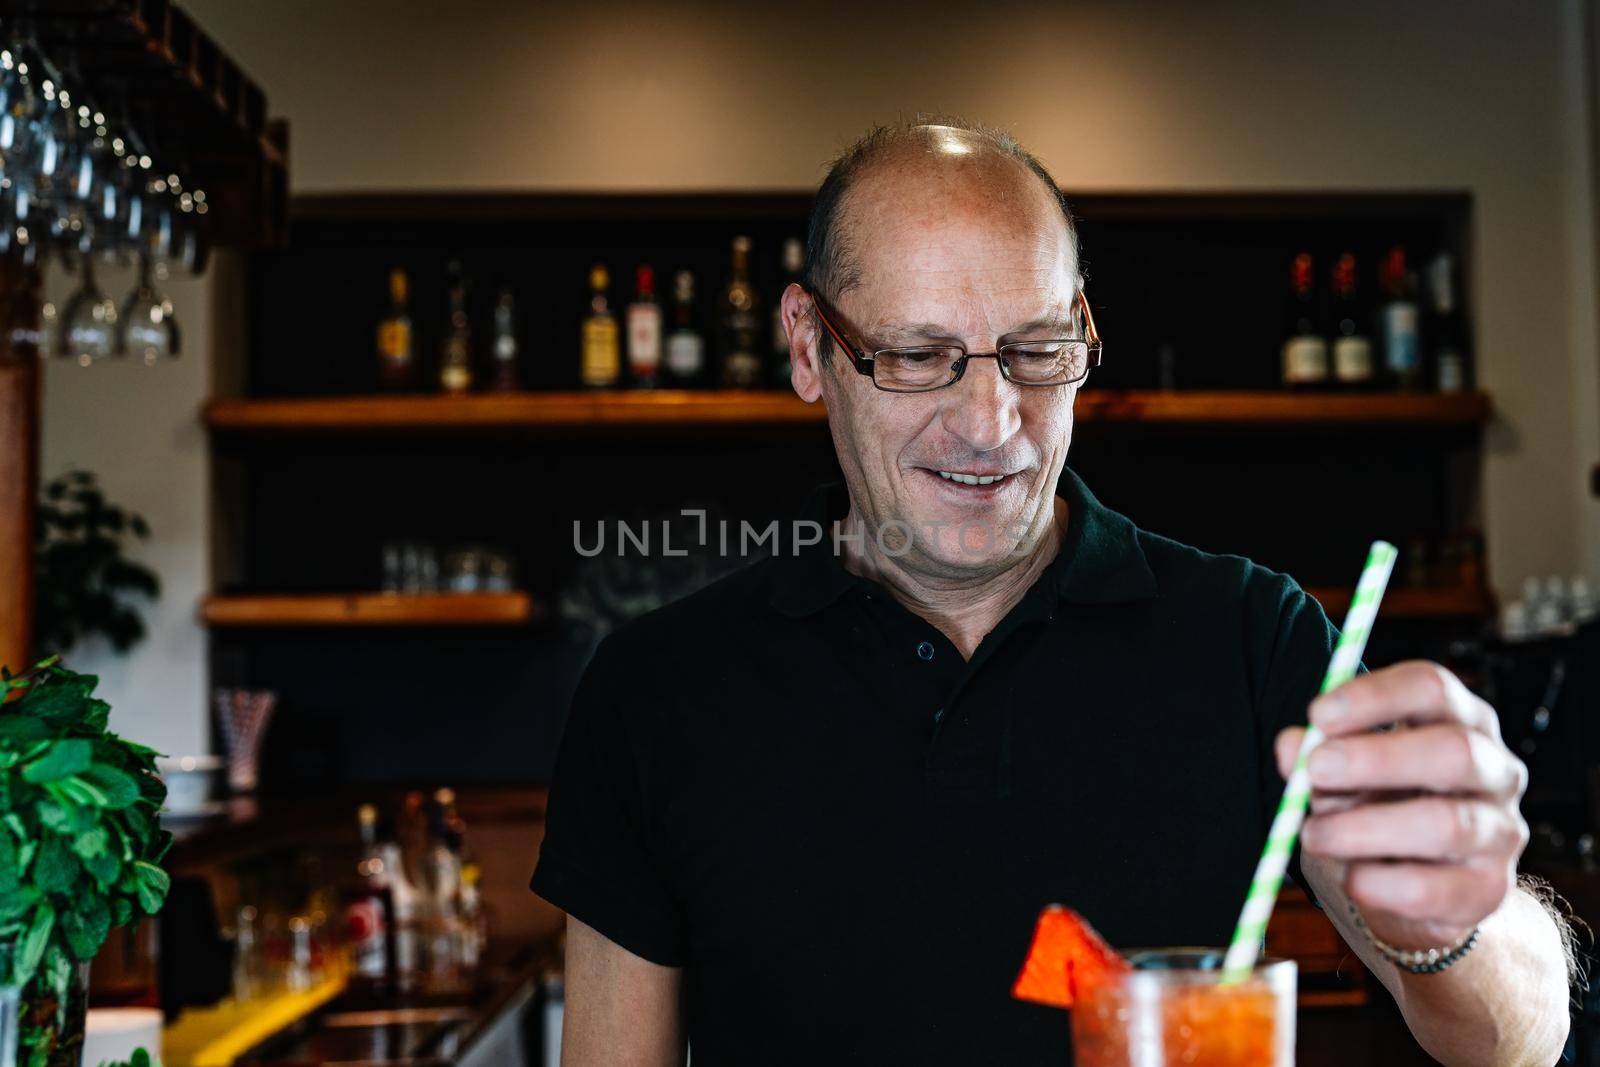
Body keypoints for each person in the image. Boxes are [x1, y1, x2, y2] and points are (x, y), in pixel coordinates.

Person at [532, 120, 1572, 1066]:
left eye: (1035, 350)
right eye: (915, 356)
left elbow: (1516, 1044)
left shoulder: (1249, 635)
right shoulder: (656, 690)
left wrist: (1457, 923)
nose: (990, 420)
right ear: (810, 346)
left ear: (1082, 328)